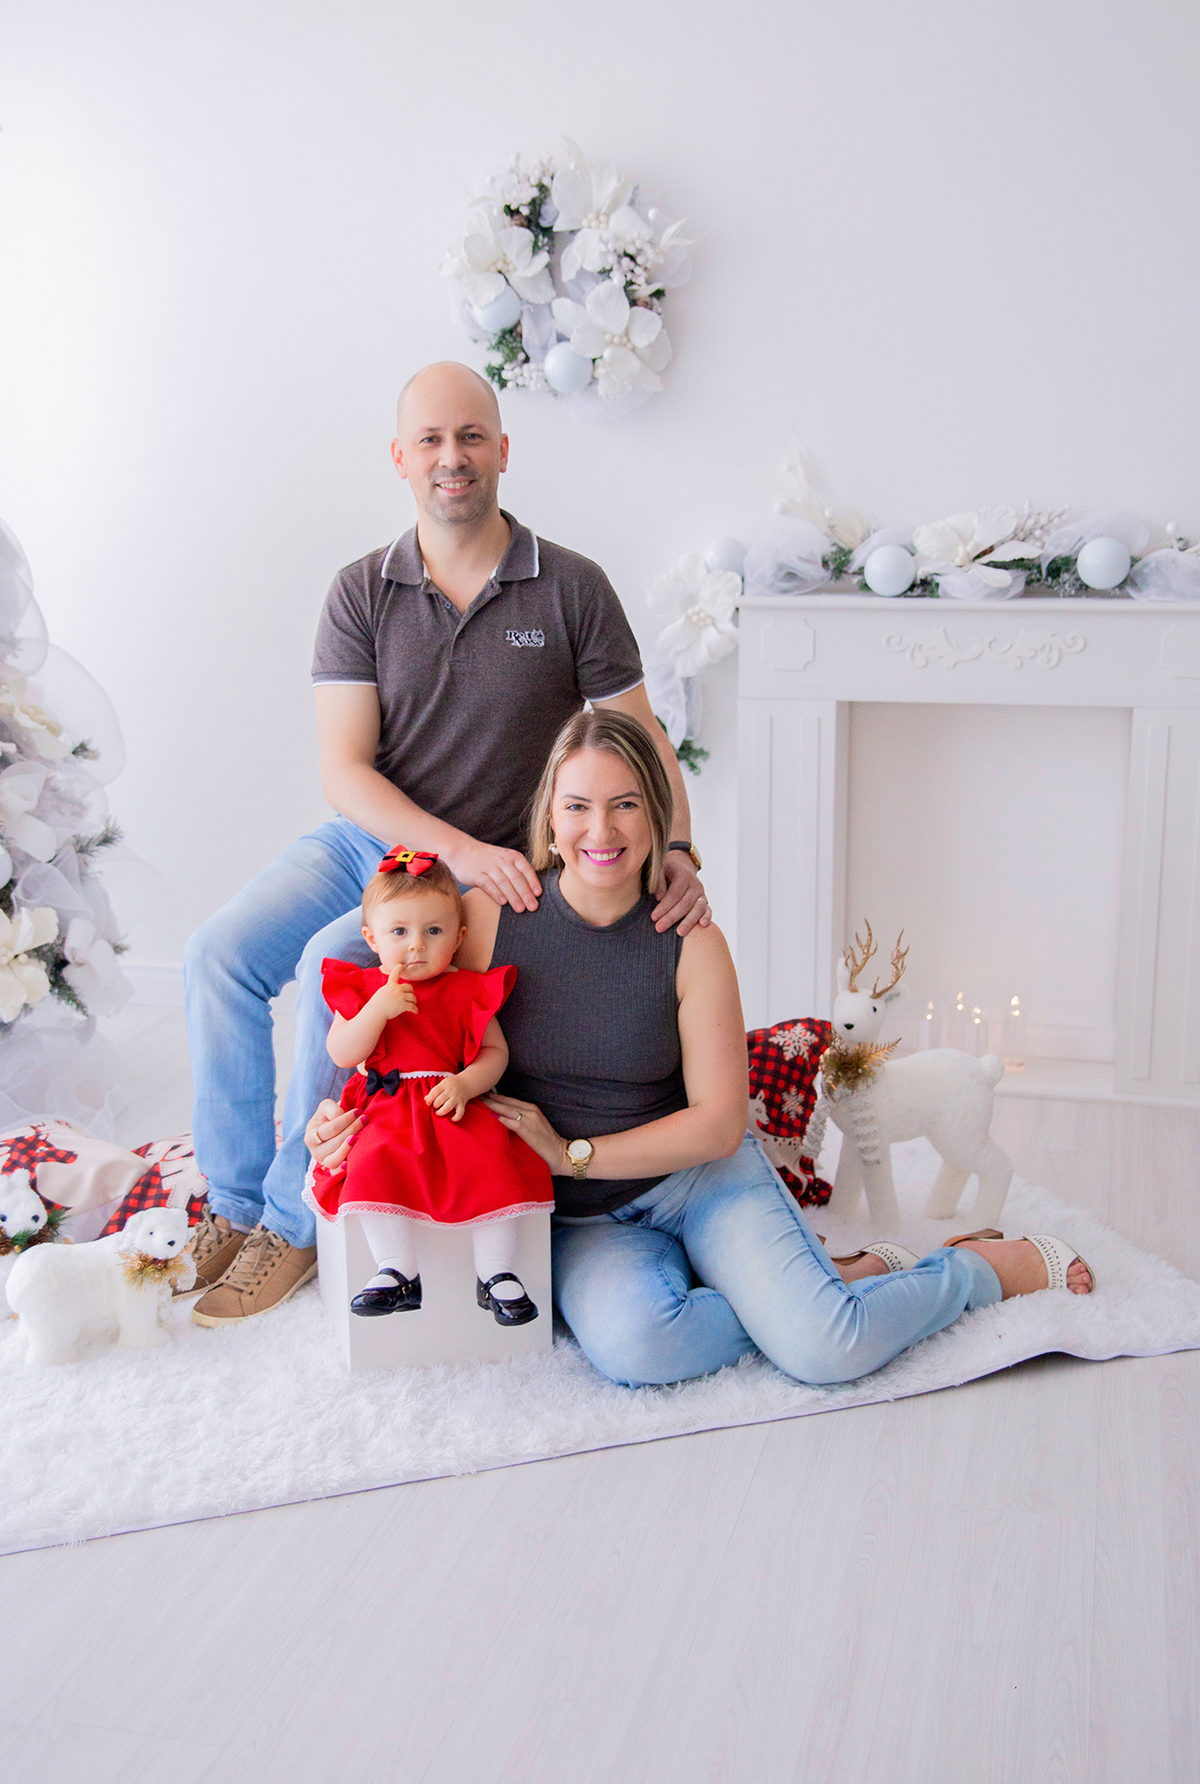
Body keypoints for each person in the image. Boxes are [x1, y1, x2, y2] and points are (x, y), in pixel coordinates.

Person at [306, 710, 1094, 1390]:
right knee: (637, 1347)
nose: (600, 831)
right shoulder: (483, 920)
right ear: (549, 814)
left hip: (699, 1180)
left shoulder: (689, 937)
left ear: (656, 816)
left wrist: (568, 1151)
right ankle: (831, 1279)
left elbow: (720, 1125)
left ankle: (980, 1272)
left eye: (624, 806)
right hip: (584, 1219)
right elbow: (400, 1023)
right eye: (577, 806)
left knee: (826, 1347)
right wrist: (337, 1121)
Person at [183, 361, 709, 1326]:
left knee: (331, 959)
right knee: (217, 954)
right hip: (371, 843)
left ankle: (293, 1227)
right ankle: (229, 1205)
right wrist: (450, 846)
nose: (451, 457)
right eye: (429, 440)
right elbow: (345, 771)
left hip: (491, 871)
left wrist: (677, 849)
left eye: (470, 437)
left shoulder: (572, 587)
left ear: (503, 451)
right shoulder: (360, 590)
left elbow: (640, 737)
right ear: (400, 459)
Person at [309, 844, 552, 1325]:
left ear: (459, 937)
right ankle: (396, 1270)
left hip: (450, 1102)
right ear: (371, 938)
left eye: (433, 931)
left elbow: (494, 1053)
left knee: (492, 1159)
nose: (416, 945)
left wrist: (465, 1084)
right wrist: (377, 1009)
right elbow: (342, 1053)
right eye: (399, 931)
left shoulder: (465, 988)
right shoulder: (359, 990)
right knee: (372, 1158)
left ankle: (497, 1274)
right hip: (385, 1107)